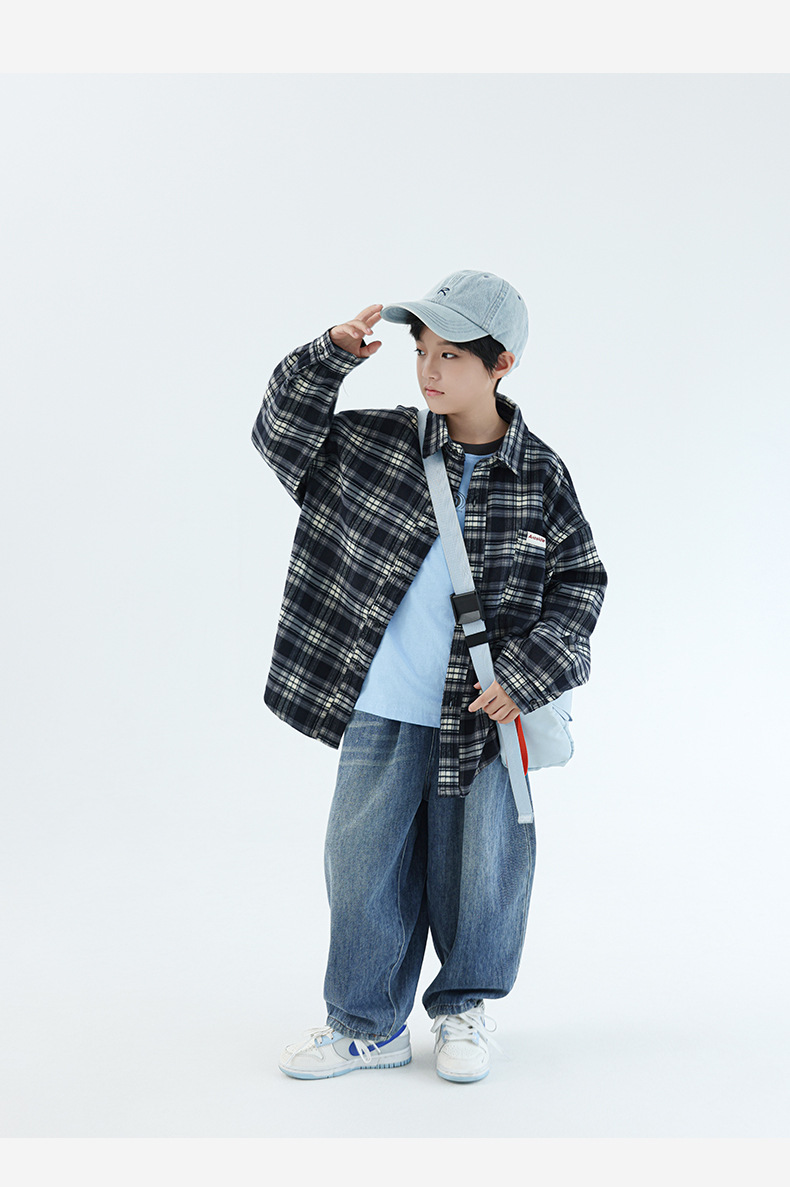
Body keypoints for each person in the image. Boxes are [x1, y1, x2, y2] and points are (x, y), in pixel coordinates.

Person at [251, 269, 607, 1082]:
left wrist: (527, 672)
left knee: (482, 872)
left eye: (450, 354)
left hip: (483, 716)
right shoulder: (376, 443)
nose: (428, 370)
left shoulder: (540, 473)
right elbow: (280, 436)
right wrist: (328, 356)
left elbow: (582, 583)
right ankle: (366, 1025)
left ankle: (463, 1010)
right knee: (361, 869)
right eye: (422, 350)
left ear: (501, 364)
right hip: (380, 706)